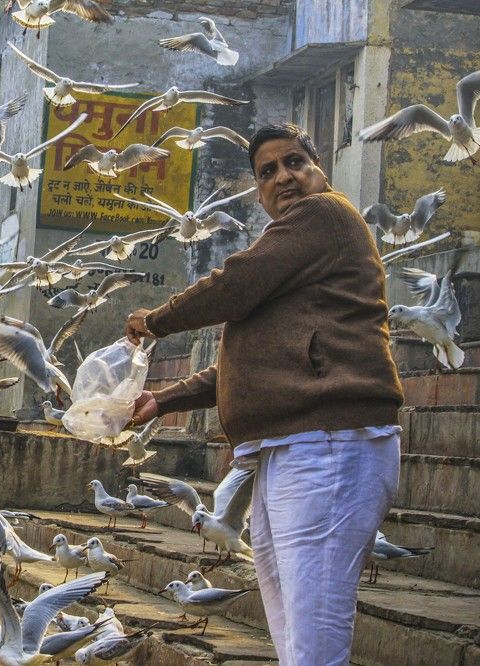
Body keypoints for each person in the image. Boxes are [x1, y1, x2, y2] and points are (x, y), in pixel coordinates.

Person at [124, 123, 403, 666]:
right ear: (257, 192)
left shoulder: (324, 215)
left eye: (295, 162)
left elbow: (234, 283)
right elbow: (246, 367)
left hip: (332, 446)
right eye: (268, 172)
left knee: (314, 641)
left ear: (319, 169)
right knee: (294, 637)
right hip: (290, 449)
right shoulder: (297, 258)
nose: (284, 177)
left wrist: (155, 320)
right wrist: (163, 401)